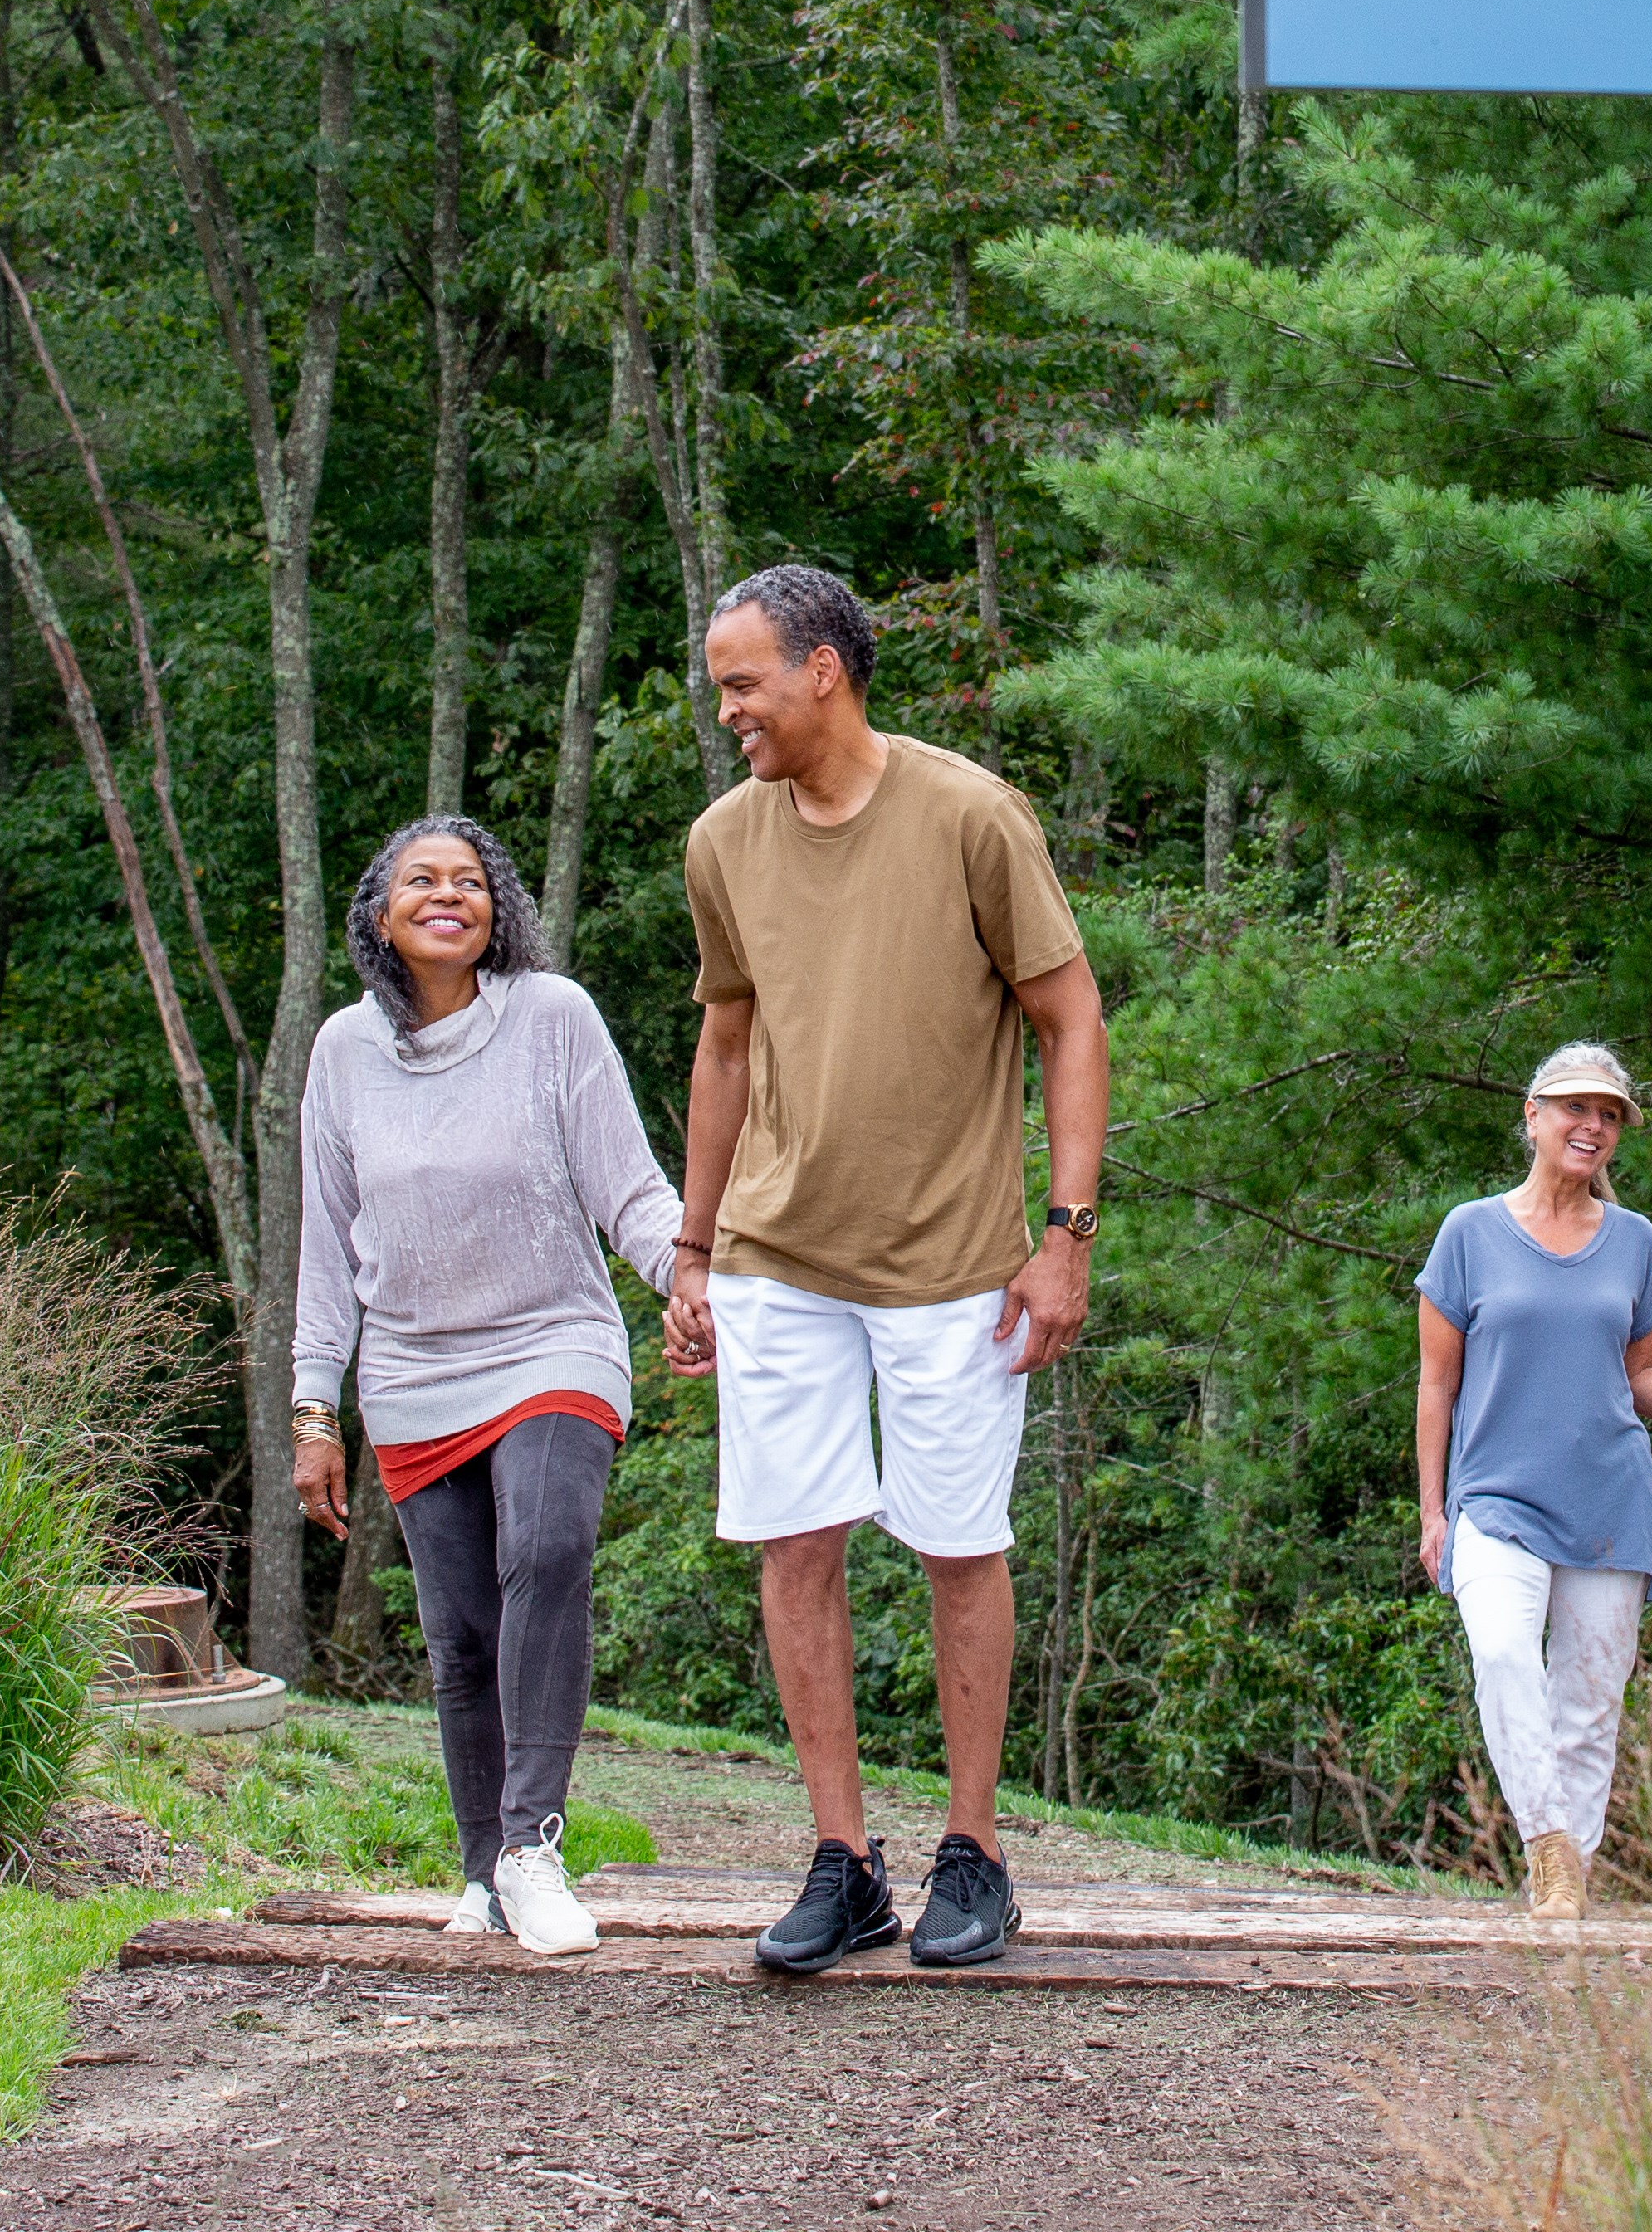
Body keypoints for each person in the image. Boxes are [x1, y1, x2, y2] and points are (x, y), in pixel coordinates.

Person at [656, 563, 1106, 1975]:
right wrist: (691, 1243)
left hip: (956, 1262)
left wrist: (1066, 1237)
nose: (728, 709)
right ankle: (843, 1865)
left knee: (959, 1548)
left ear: (822, 673)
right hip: (778, 1259)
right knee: (799, 1545)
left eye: (743, 682)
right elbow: (725, 1043)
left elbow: (1071, 1017)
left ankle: (974, 1853)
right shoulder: (723, 843)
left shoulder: (971, 815)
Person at [290, 813, 682, 1959]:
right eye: (421, 880)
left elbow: (631, 1188)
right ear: (380, 916)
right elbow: (326, 1241)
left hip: (553, 1340)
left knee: (548, 1550)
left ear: (498, 909)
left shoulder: (554, 1021)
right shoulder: (340, 1053)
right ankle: (482, 1869)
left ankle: (532, 1845)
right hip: (413, 1370)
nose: (447, 895)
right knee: (459, 1637)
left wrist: (691, 1283)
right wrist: (318, 1408)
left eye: (470, 881)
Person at [1414, 1041, 1652, 1921]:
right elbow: (1437, 1385)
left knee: (1590, 1701)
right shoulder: (1469, 1231)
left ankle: (1564, 1895)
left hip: (1610, 1501)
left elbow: (1636, 1375)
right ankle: (1548, 1843)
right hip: (1496, 1500)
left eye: (1610, 1114)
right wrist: (1434, 1512)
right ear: (1534, 1117)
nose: (1593, 1126)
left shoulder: (1634, 1241)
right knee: (1506, 1654)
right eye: (1576, 1108)